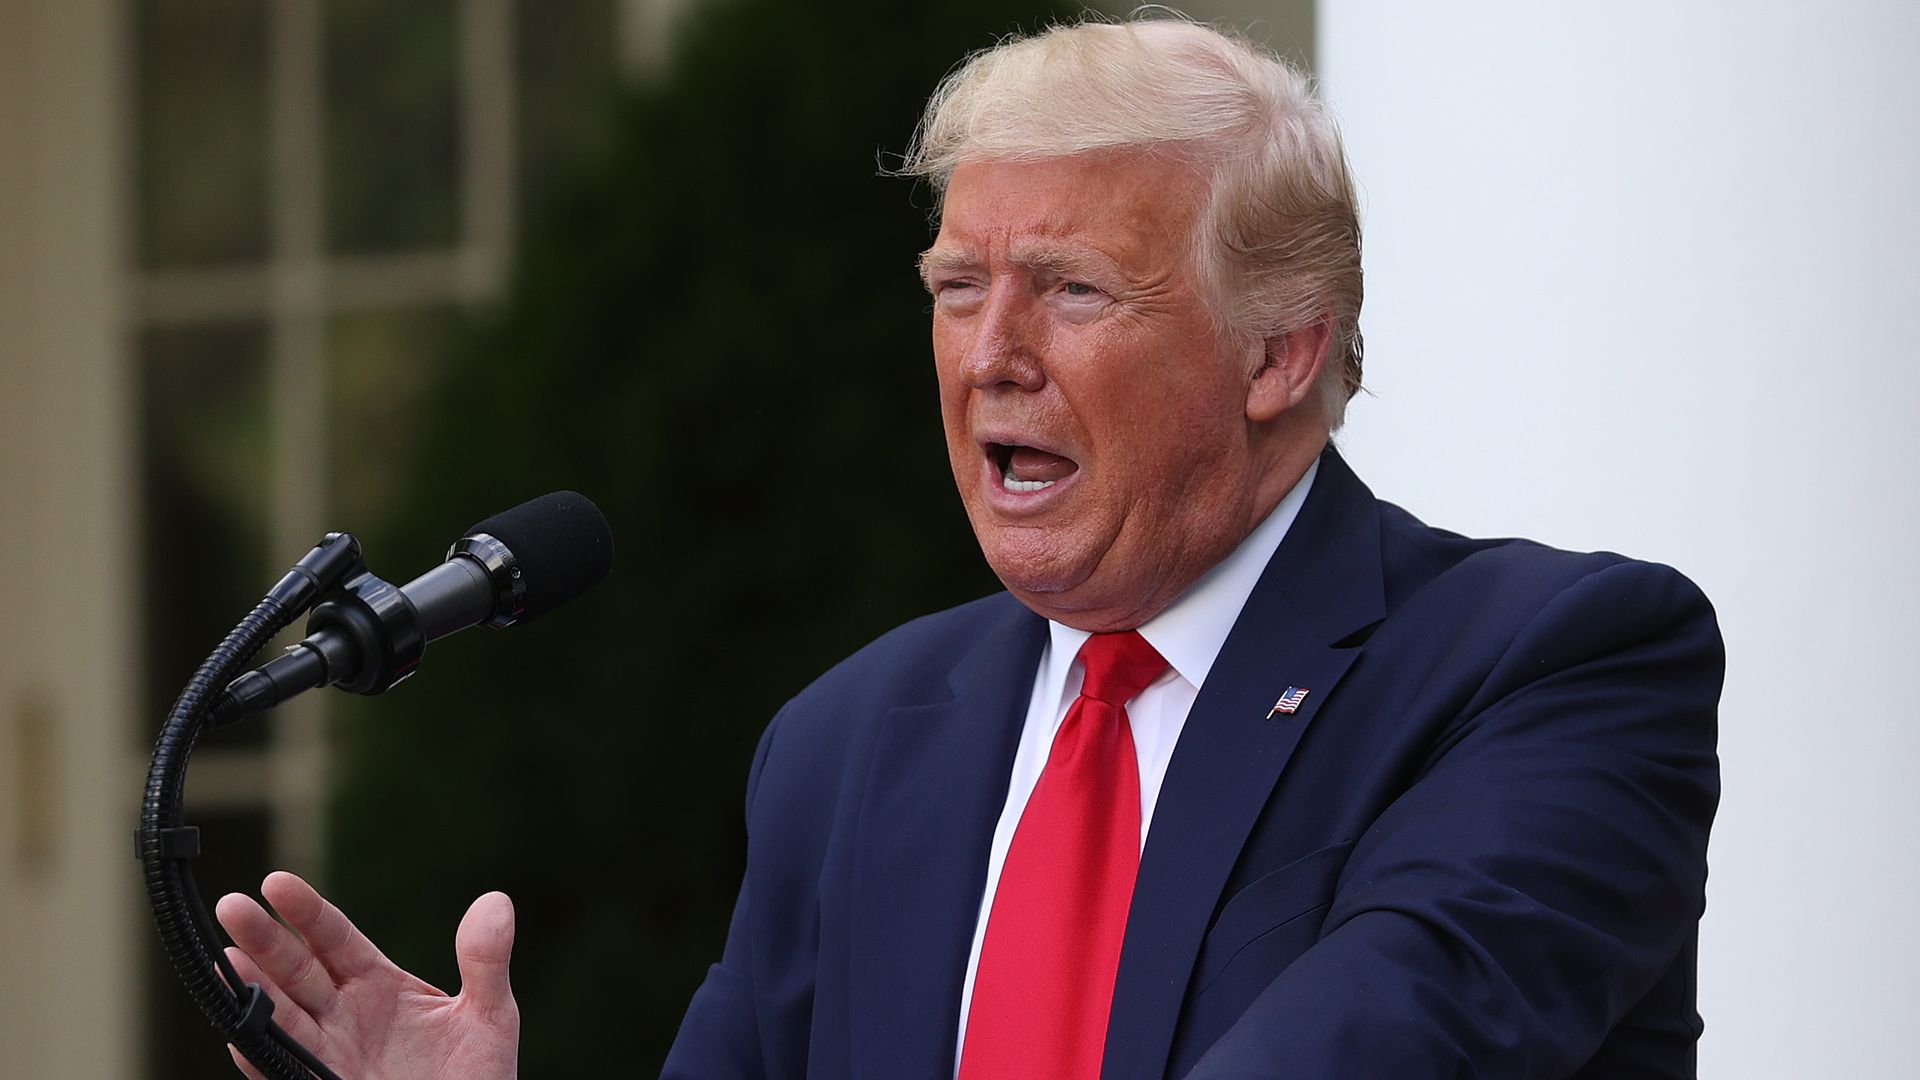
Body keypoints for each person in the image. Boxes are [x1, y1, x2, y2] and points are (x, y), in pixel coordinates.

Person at [216, 16, 1722, 1080]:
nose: (987, 356)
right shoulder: (853, 739)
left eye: (1069, 291)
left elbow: (1393, 1039)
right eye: (955, 287)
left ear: (1279, 354)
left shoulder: (1553, 665)